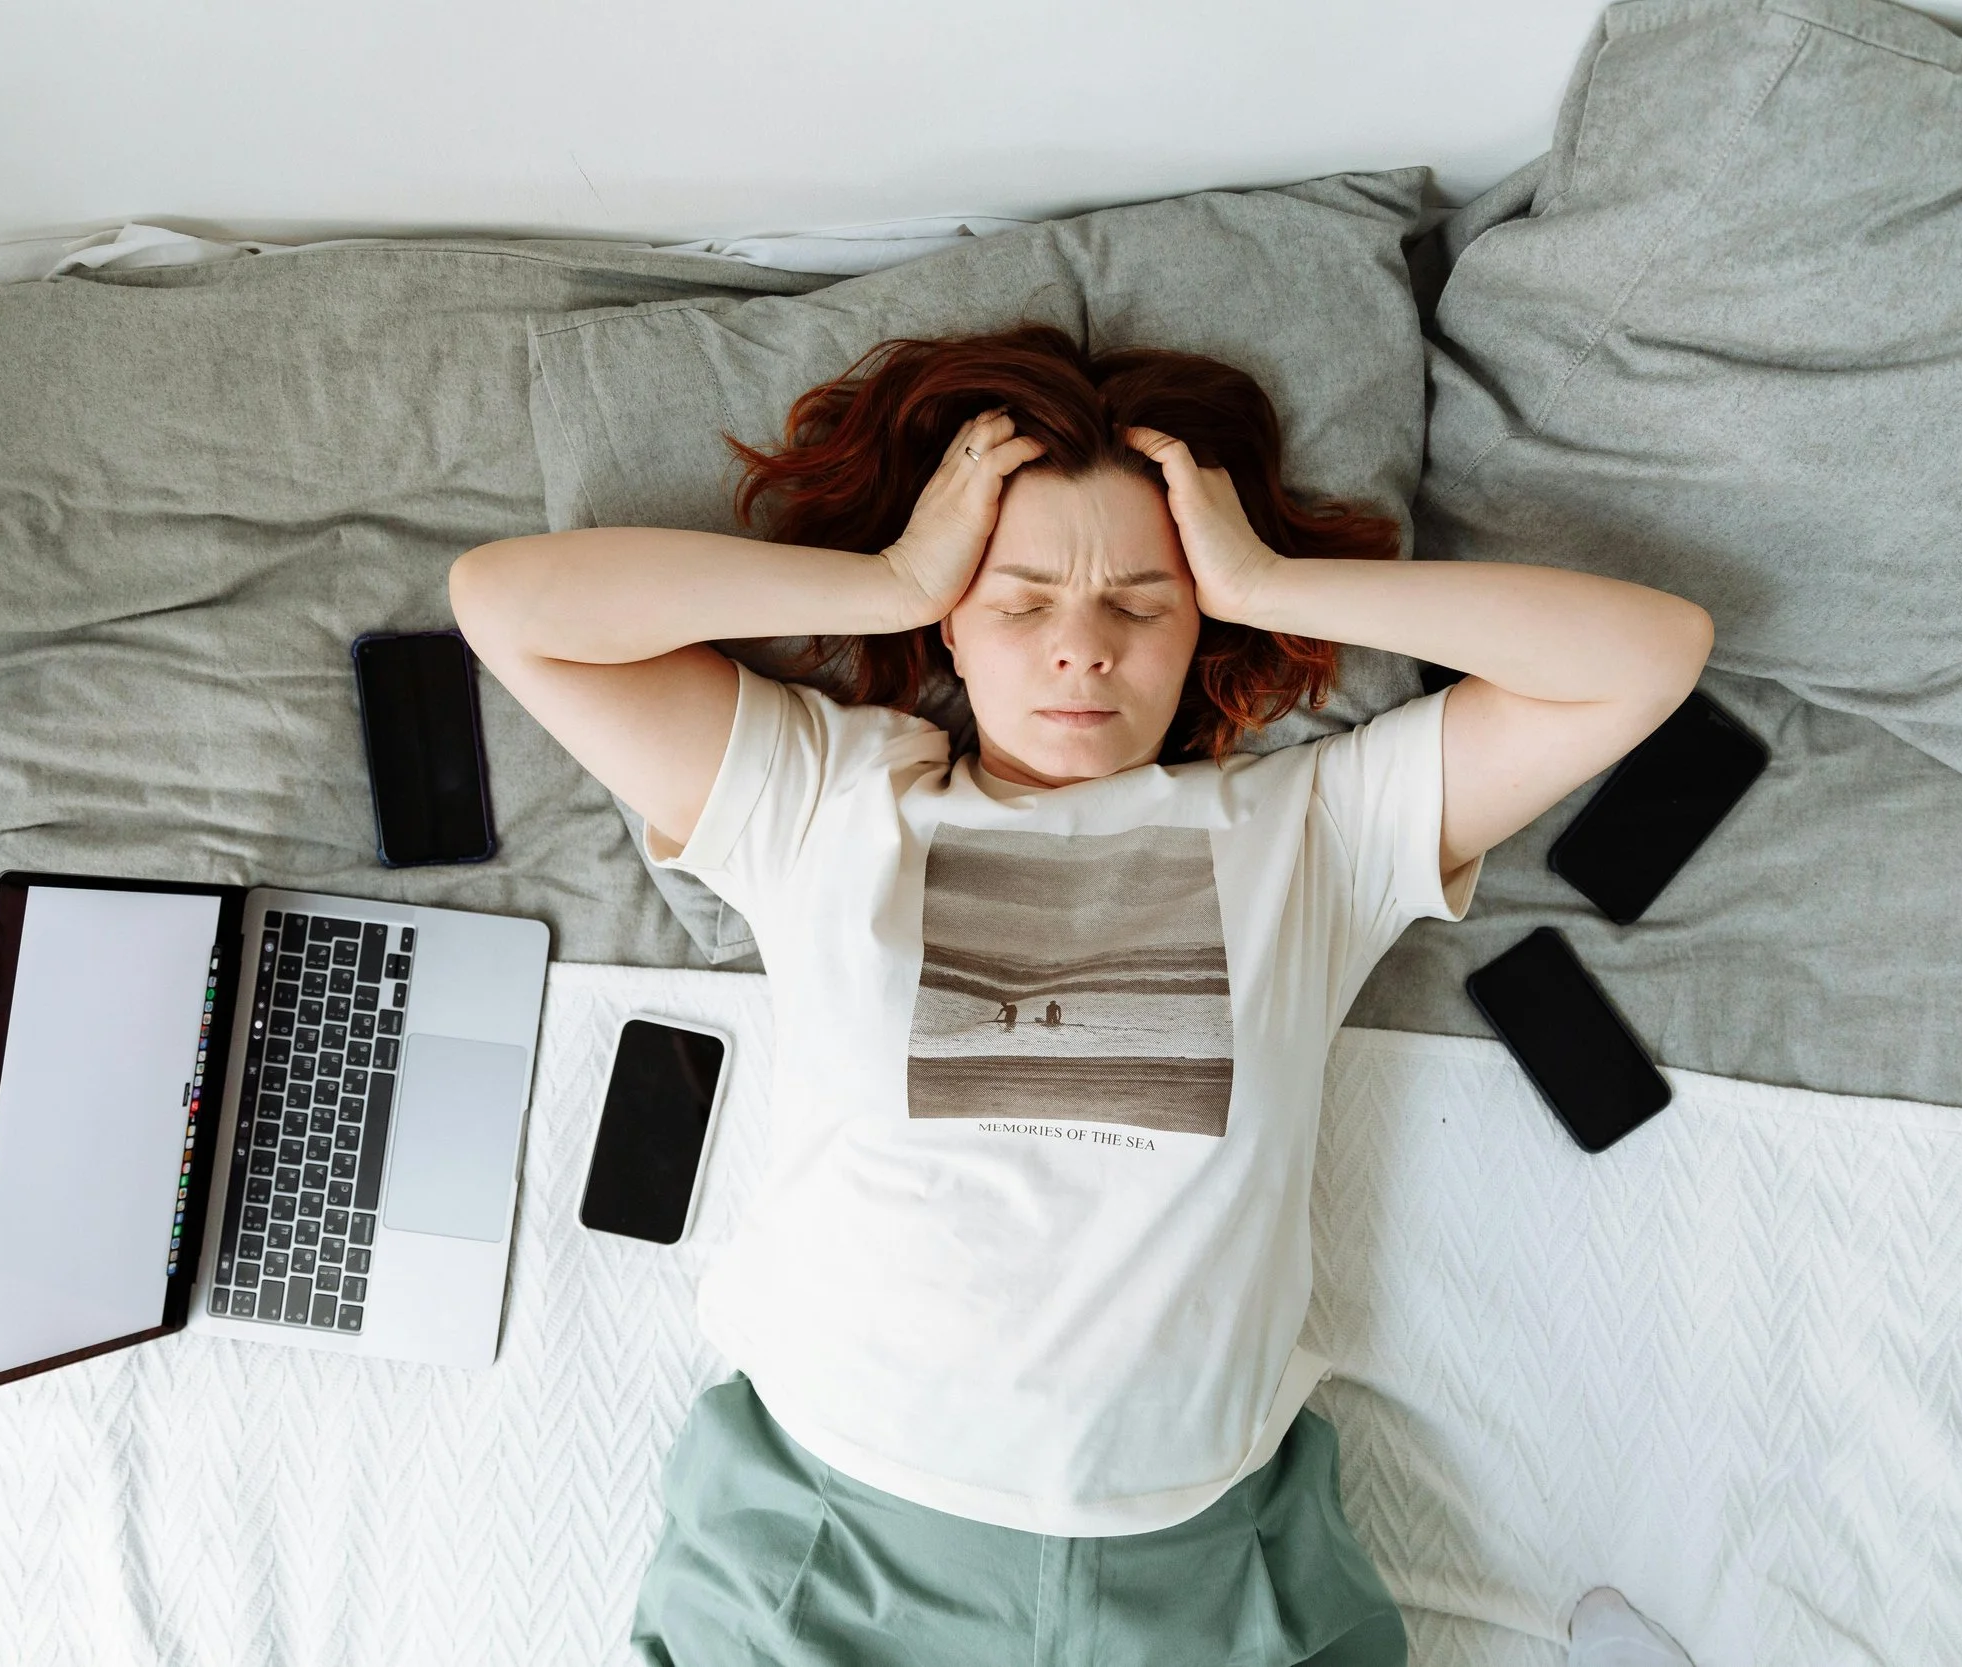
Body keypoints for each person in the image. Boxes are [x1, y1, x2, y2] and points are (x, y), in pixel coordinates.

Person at [451, 327, 1713, 1667]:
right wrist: (881, 579)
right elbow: (510, 605)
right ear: (950, 614)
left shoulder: (1317, 828)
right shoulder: (827, 796)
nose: (1082, 648)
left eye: (1141, 601)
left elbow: (1647, 652)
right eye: (1023, 596)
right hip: (837, 1545)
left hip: (1196, 1570)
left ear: (1199, 624)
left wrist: (1274, 577)